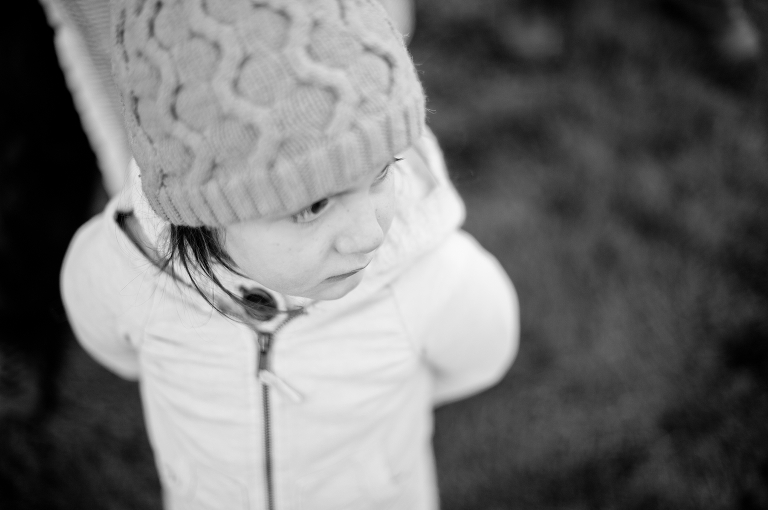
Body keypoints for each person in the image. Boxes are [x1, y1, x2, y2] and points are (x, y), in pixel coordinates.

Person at [60, 0, 519, 509]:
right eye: (314, 205)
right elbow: (107, 337)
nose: (367, 235)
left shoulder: (431, 276)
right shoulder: (125, 272)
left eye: (382, 172)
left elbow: (483, 352)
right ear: (206, 209)